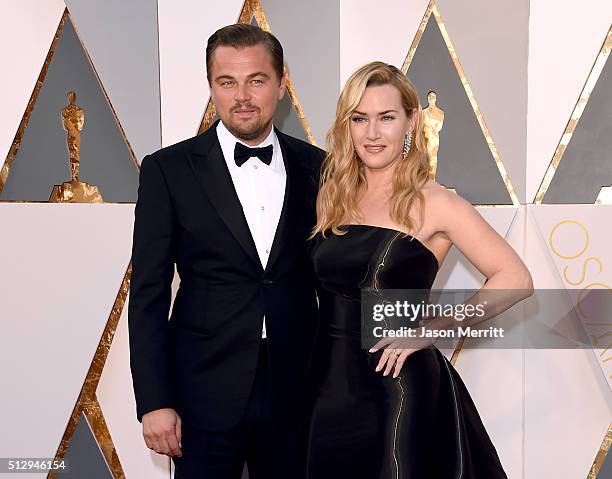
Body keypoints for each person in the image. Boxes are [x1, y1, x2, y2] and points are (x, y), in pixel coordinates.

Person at [306, 61, 533, 478]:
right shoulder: (331, 197)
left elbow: (516, 279)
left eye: (386, 118)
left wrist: (432, 329)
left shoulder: (436, 202)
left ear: (411, 120)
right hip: (326, 387)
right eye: (360, 119)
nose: (372, 133)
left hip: (397, 387)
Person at [128, 24, 324, 478]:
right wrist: (155, 401)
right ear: (211, 86)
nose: (242, 96)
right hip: (202, 393)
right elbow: (149, 295)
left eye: (256, 80)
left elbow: (335, 280)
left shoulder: (320, 167)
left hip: (296, 389)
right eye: (227, 82)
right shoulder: (168, 170)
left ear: (281, 84)